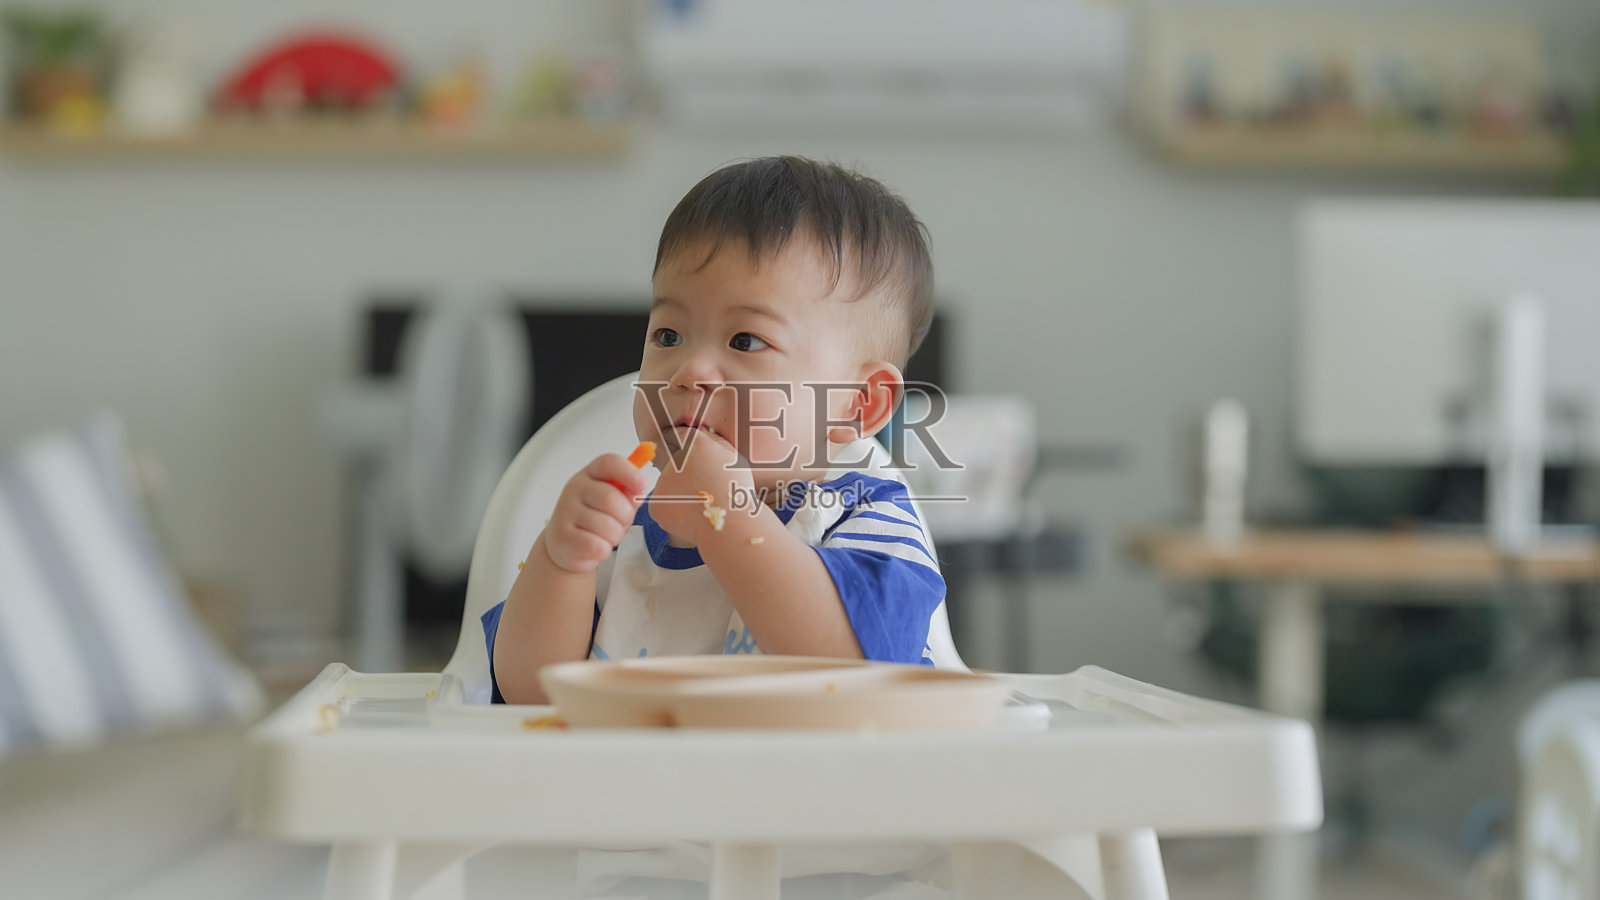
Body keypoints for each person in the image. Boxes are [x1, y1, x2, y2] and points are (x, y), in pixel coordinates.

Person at [484, 156, 945, 705]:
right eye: (669, 335)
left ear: (857, 405)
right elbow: (529, 692)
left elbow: (858, 671)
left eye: (745, 341)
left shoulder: (864, 516)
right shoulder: (623, 530)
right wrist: (563, 561)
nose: (687, 372)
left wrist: (725, 517)